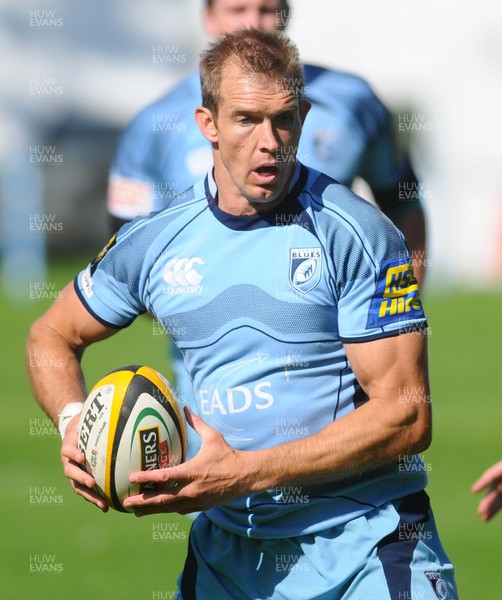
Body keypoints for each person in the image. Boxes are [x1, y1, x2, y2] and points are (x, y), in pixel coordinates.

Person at [27, 29, 456, 600]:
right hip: (230, 555)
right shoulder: (156, 239)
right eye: (247, 120)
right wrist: (72, 421)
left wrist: (244, 471)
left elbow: (407, 417)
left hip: (367, 544)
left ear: (304, 116)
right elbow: (51, 335)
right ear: (208, 123)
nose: (269, 142)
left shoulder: (357, 232)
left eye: (284, 120)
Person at [108, 0, 428, 430]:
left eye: (267, 9)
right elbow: (126, 252)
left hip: (337, 374)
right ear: (208, 18)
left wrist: (394, 311)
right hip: (211, 401)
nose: (253, 22)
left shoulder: (354, 102)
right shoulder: (154, 124)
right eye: (237, 8)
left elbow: (404, 206)